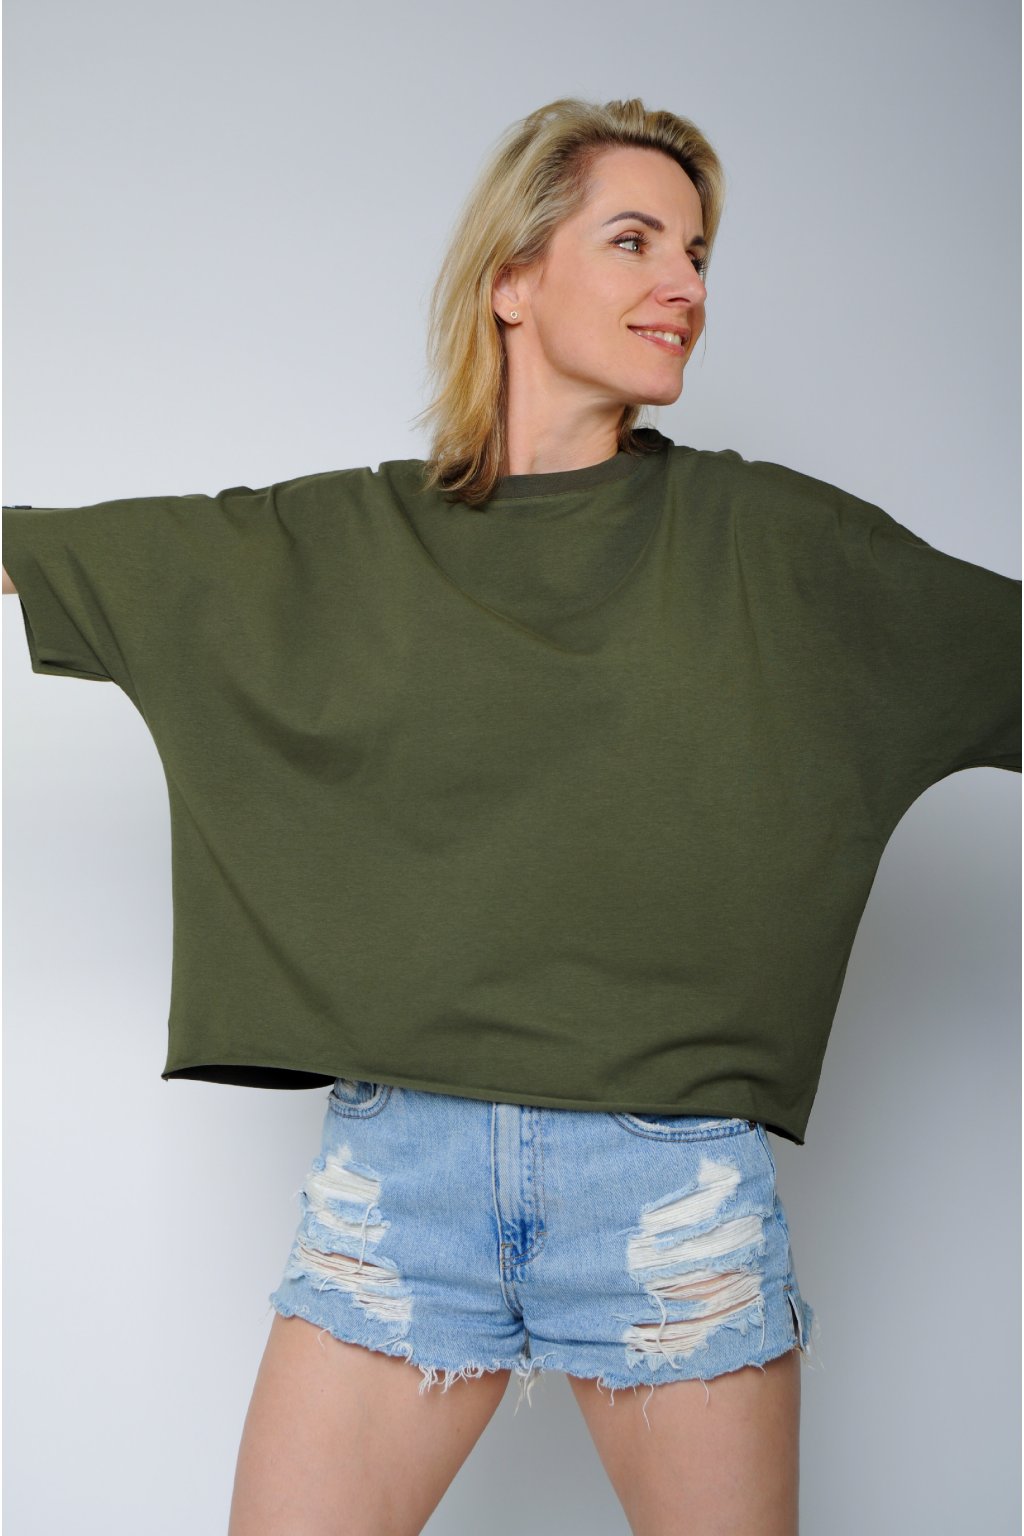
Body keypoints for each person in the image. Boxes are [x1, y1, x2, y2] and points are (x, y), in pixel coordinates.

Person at [2, 95, 1019, 1536]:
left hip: (665, 1184)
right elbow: (47, 558)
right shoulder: (353, 540)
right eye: (636, 240)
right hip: (400, 1176)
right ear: (513, 280)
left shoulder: (775, 545)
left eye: (699, 253)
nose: (685, 284)